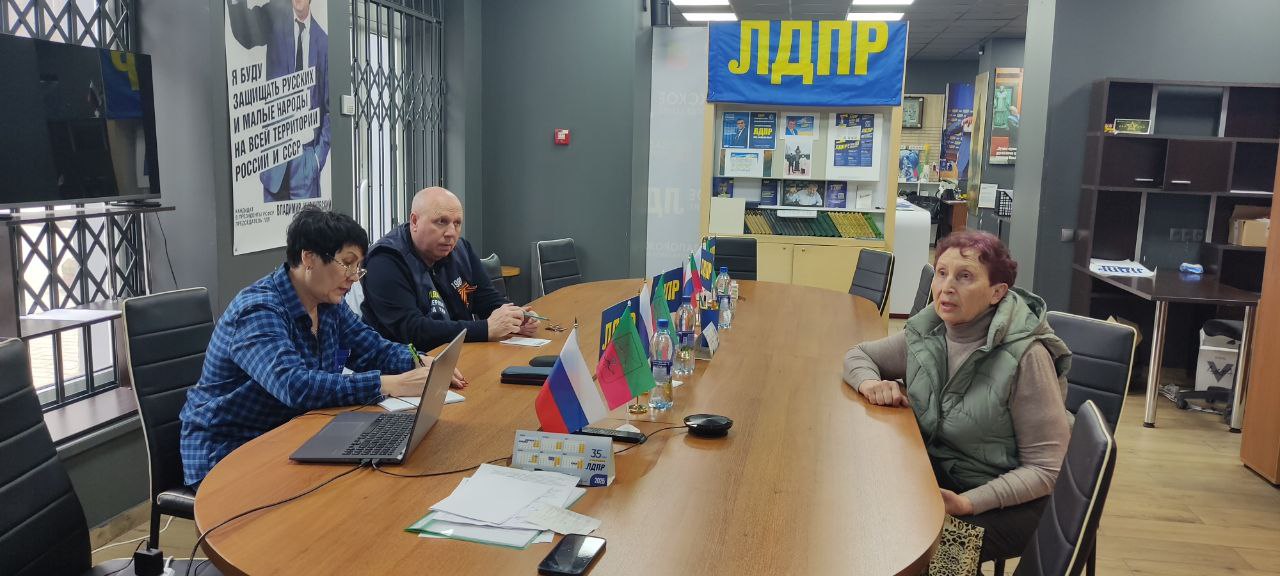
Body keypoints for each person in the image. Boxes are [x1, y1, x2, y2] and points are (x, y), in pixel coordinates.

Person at [179, 208, 456, 486]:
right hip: (227, 452)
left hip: (292, 434)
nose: (354, 277)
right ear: (309, 258)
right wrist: (389, 384)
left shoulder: (327, 303)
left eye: (358, 267)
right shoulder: (258, 310)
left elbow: (372, 349)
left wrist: (418, 361)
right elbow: (294, 385)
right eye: (347, 263)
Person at [842, 230, 1071, 563]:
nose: (947, 287)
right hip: (943, 474)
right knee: (860, 515)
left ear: (997, 292)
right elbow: (858, 355)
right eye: (941, 273)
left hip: (1014, 500)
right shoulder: (931, 331)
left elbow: (1047, 469)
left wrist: (967, 503)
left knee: (927, 556)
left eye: (965, 277)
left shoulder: (1026, 357)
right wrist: (870, 383)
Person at [361, 186, 538, 351]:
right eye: (441, 222)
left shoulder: (461, 250)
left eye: (457, 223)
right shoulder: (384, 260)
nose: (451, 232)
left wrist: (515, 317)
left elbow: (486, 299)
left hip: (458, 354)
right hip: (404, 363)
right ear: (415, 221)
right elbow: (412, 330)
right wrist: (485, 328)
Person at [227, 0, 330, 202]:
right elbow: (245, 33)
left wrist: (317, 159)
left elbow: (330, 109)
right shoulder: (275, 16)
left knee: (307, 222)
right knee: (270, 221)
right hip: (275, 159)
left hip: (305, 161)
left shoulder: (323, 43)